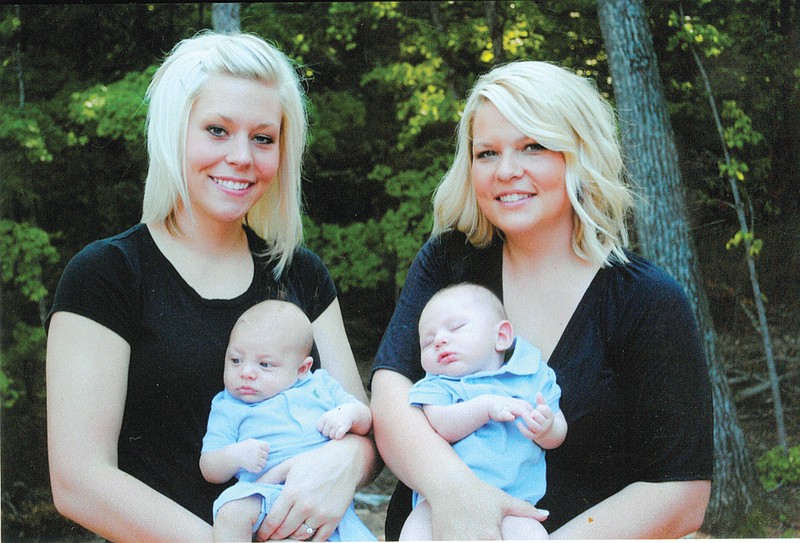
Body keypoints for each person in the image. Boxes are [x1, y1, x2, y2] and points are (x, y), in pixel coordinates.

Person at [46, 31, 376, 543]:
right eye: (218, 130)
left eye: (263, 138)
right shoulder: (105, 274)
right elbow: (79, 481)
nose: (242, 156)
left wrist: (344, 464)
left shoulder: (300, 274)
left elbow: (364, 431)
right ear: (174, 132)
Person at [371, 60, 713, 540]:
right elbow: (391, 397)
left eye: (533, 146)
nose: (506, 171)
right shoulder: (450, 261)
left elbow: (680, 493)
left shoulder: (648, 302)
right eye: (486, 153)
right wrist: (459, 496)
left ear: (581, 153)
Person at [399, 283, 567, 541]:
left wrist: (546, 427)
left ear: (500, 337)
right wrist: (486, 408)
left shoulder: (532, 373)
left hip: (514, 503)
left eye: (456, 328)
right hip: (443, 502)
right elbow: (442, 425)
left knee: (531, 534)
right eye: (428, 341)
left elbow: (557, 433)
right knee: (415, 531)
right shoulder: (437, 384)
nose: (440, 340)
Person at [201, 300, 375, 542]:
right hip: (263, 494)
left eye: (265, 364)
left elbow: (365, 418)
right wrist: (236, 455)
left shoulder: (320, 385)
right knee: (231, 513)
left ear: (302, 369)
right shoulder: (228, 405)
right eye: (236, 360)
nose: (246, 372)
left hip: (324, 492)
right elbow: (209, 465)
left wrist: (347, 414)